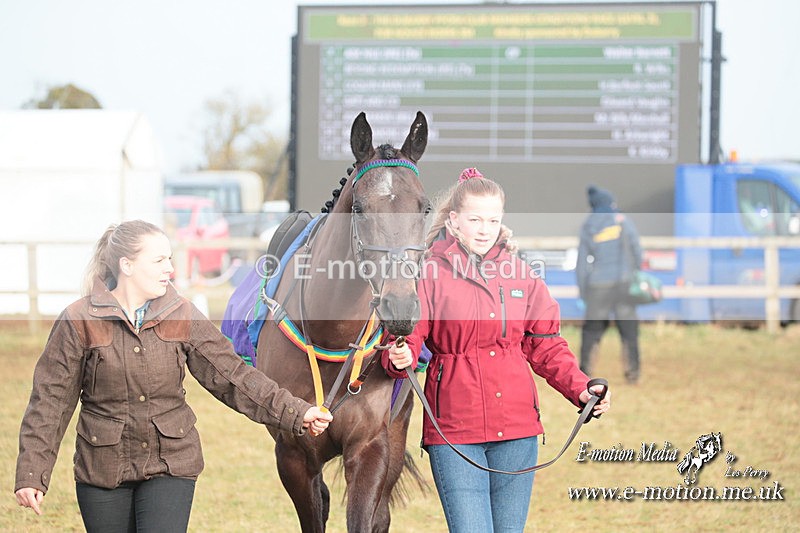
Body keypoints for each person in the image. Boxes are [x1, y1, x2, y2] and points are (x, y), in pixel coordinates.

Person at [14, 220, 332, 532]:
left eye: (169, 258)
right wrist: (32, 473)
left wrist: (297, 411)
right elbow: (50, 401)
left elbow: (234, 376)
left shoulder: (181, 313)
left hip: (170, 464)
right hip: (101, 467)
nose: (170, 268)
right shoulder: (78, 320)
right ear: (127, 265)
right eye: (159, 260)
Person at [382, 168, 610, 532]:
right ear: (454, 221)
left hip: (518, 431)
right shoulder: (427, 273)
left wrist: (580, 388)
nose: (484, 229)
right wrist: (400, 356)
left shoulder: (522, 274)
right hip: (455, 431)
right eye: (475, 219)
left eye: (492, 219)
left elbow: (546, 345)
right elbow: (406, 336)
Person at [576, 185, 642, 384]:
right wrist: (632, 273)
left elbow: (581, 264)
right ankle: (633, 373)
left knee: (591, 331)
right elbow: (637, 251)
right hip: (623, 283)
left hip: (598, 285)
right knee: (629, 330)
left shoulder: (588, 226)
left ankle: (584, 372)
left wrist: (583, 291)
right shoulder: (622, 221)